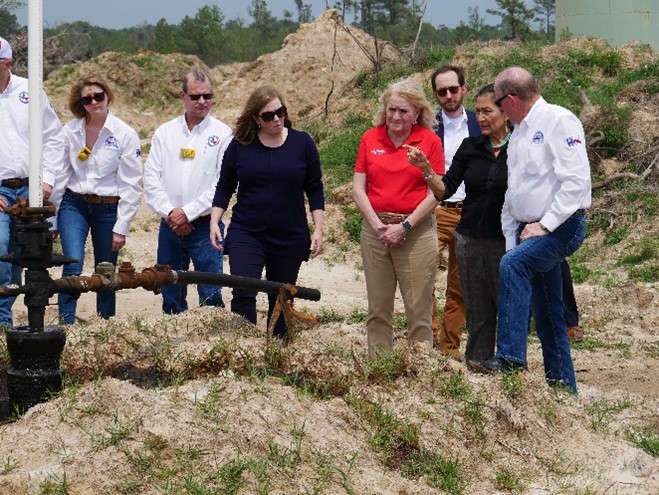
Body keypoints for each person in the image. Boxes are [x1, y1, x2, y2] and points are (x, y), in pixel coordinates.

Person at [469, 67, 591, 393]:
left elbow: (577, 183)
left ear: (510, 99)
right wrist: (514, 239)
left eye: (497, 103)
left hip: (561, 226)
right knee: (550, 316)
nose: (496, 110)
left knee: (513, 265)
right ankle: (563, 389)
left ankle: (510, 357)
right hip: (528, 229)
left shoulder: (558, 120)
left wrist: (545, 224)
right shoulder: (520, 132)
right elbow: (515, 195)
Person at [210, 86, 324, 339]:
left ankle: (278, 352)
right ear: (255, 119)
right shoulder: (240, 146)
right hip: (246, 232)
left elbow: (315, 189)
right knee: (243, 290)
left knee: (282, 297)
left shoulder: (302, 143)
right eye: (268, 115)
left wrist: (318, 230)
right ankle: (245, 348)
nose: (277, 119)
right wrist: (215, 220)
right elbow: (225, 186)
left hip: (289, 234)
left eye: (280, 112)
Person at [410, 84, 510, 365]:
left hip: (506, 238)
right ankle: (477, 362)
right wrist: (428, 171)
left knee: (505, 303)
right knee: (476, 305)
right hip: (470, 236)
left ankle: (507, 361)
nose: (480, 118)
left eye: (487, 111)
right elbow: (446, 189)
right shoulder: (471, 147)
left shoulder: (521, 145)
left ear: (504, 112)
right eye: (477, 112)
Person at [352, 77, 444, 357]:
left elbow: (436, 192)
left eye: (403, 111)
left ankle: (419, 368)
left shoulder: (428, 141)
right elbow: (358, 188)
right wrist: (377, 223)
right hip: (376, 229)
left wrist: (404, 226)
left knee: (418, 308)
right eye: (391, 109)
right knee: (378, 307)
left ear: (417, 113)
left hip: (415, 231)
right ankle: (379, 367)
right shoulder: (371, 138)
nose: (396, 116)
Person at [50, 75, 143, 323]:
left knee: (105, 269)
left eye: (98, 96)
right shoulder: (70, 131)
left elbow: (132, 183)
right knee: (72, 262)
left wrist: (121, 226)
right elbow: (61, 174)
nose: (94, 102)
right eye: (87, 98)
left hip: (108, 208)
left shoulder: (125, 133)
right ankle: (66, 322)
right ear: (81, 103)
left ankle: (105, 323)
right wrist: (53, 219)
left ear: (107, 96)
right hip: (74, 203)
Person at [144, 67, 232, 314]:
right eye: (196, 96)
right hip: (170, 227)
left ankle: (213, 344)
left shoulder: (223, 134)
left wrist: (188, 213)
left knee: (210, 295)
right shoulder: (165, 133)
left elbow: (222, 183)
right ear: (183, 96)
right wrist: (172, 213)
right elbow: (151, 178)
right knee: (171, 295)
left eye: (207, 95)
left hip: (205, 227)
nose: (202, 101)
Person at [0, 36, 65, 328]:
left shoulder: (29, 91)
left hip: (31, 187)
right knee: (0, 250)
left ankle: (17, 313)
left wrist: (47, 179)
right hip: (1, 190)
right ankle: (3, 324)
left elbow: (53, 137)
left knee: (22, 257)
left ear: (8, 65)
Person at [429, 65, 482, 360]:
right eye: (442, 91)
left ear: (464, 89)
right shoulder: (428, 126)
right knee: (423, 276)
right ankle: (428, 337)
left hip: (471, 212)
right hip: (436, 210)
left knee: (460, 283)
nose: (448, 95)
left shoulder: (480, 123)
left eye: (453, 89)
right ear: (435, 94)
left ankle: (450, 346)